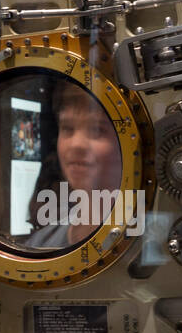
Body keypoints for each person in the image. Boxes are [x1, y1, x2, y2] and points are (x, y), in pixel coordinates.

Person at [24, 80, 122, 248]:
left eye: (97, 129)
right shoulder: (41, 244)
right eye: (67, 128)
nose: (76, 144)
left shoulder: (149, 241)